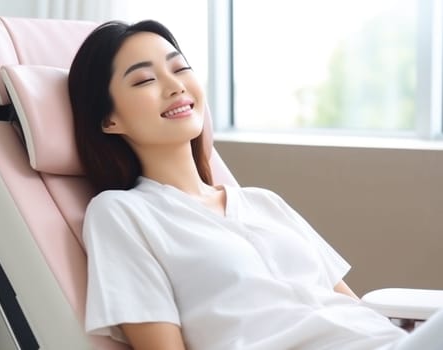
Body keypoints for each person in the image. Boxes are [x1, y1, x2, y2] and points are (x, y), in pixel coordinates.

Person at [68, 19, 443, 350]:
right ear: (108, 120)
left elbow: (357, 312)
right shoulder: (120, 213)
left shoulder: (263, 202)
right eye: (145, 79)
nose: (174, 86)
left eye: (181, 69)